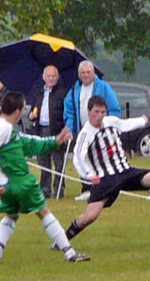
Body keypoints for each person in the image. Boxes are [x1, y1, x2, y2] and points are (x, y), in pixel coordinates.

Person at [58, 96, 150, 245]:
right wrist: (89, 175)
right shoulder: (86, 134)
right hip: (106, 179)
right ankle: (62, 241)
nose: (100, 116)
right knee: (90, 217)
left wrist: (142, 121)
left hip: (126, 171)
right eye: (96, 112)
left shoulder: (110, 121)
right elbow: (78, 157)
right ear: (88, 111)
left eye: (102, 112)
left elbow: (125, 124)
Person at [0, 91, 90, 263]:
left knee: (11, 215)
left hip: (9, 187)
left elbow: (28, 144)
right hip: (21, 182)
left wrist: (55, 141)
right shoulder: (3, 128)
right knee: (44, 212)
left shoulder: (3, 128)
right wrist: (1, 180)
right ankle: (69, 253)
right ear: (17, 111)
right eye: (23, 108)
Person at [63, 61, 121, 201]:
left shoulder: (103, 87)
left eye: (88, 72)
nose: (86, 75)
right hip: (83, 131)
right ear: (79, 75)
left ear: (93, 73)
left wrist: (108, 126)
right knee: (83, 158)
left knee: (101, 160)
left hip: (100, 131)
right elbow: (69, 112)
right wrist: (69, 129)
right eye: (83, 73)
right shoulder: (74, 90)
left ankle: (105, 189)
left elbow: (114, 108)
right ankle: (86, 189)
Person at [29, 65, 69, 198]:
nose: (51, 79)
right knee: (43, 162)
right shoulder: (38, 93)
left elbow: (66, 112)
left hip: (56, 131)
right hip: (41, 130)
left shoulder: (62, 93)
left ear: (57, 78)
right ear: (44, 77)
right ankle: (45, 190)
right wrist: (31, 115)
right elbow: (34, 109)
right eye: (49, 76)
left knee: (58, 163)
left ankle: (59, 190)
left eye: (53, 76)